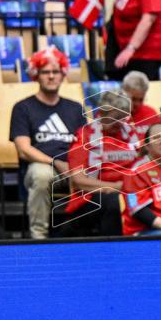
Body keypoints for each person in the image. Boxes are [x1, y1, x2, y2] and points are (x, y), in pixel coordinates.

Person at [10, 48, 86, 239]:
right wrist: (56, 162)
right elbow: (24, 150)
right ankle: (39, 237)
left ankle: (84, 235)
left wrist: (75, 167)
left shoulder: (75, 108)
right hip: (42, 166)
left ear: (63, 75)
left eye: (55, 72)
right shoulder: (23, 108)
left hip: (72, 166)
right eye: (45, 72)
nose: (51, 76)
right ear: (36, 75)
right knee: (41, 175)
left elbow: (86, 144)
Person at [60, 89, 141, 237]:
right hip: (92, 198)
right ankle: (115, 248)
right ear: (102, 113)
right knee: (113, 202)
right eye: (115, 117)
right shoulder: (85, 136)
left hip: (129, 192)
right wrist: (116, 187)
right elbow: (78, 181)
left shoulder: (132, 134)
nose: (119, 123)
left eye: (123, 118)